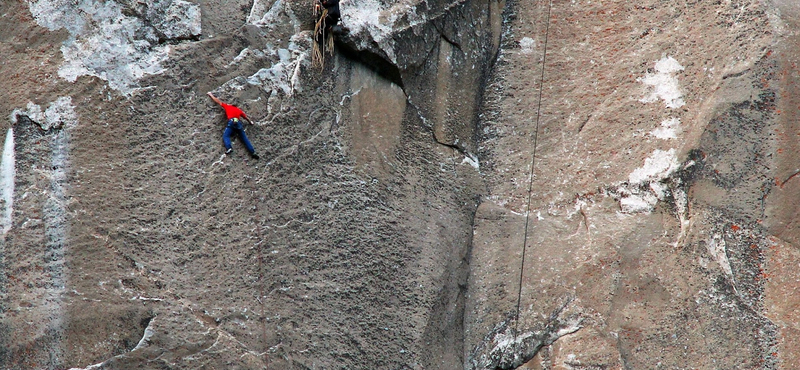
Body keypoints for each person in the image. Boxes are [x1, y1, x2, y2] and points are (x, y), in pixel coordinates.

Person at [207, 92, 259, 159]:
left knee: (226, 136)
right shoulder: (238, 110)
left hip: (231, 122)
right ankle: (252, 152)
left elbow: (218, 101)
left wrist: (211, 95)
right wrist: (250, 122)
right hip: (238, 123)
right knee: (244, 138)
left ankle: (229, 148)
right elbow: (246, 117)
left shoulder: (228, 106)